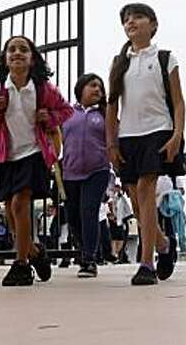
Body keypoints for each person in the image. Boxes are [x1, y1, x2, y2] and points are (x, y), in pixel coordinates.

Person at [0, 35, 73, 286]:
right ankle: (35, 251)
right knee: (10, 210)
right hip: (8, 156)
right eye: (11, 49)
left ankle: (21, 265)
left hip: (34, 153)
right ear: (5, 58)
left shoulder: (43, 89)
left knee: (21, 203)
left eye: (23, 49)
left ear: (32, 59)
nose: (17, 52)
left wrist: (49, 117)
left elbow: (66, 111)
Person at [106, 3, 186, 285]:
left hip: (158, 131)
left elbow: (178, 102)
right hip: (128, 137)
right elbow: (112, 106)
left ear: (153, 25)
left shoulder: (166, 58)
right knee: (138, 205)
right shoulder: (119, 64)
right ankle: (163, 244)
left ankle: (146, 264)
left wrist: (177, 134)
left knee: (145, 189)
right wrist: (111, 144)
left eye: (138, 17)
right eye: (127, 19)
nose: (131, 22)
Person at [61, 73, 111, 278]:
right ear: (80, 88)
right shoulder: (66, 113)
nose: (97, 89)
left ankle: (89, 260)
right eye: (92, 85)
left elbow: (114, 143)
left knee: (89, 210)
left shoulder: (106, 115)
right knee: (73, 216)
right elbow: (54, 135)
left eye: (100, 87)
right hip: (70, 172)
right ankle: (85, 250)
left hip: (97, 171)